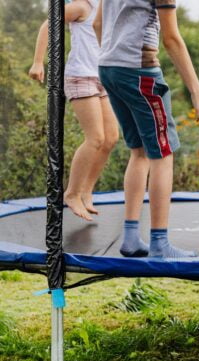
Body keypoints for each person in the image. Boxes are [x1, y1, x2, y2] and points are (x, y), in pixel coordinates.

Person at [94, 0, 199, 258]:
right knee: (163, 152)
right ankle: (160, 243)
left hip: (108, 67)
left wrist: (114, 53)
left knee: (139, 151)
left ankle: (130, 237)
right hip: (139, 71)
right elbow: (172, 39)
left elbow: (97, 24)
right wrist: (197, 92)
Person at [29, 0, 119, 222]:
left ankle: (87, 191)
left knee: (111, 139)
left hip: (102, 77)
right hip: (81, 77)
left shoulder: (107, 6)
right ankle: (71, 193)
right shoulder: (81, 6)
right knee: (95, 138)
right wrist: (38, 62)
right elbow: (48, 25)